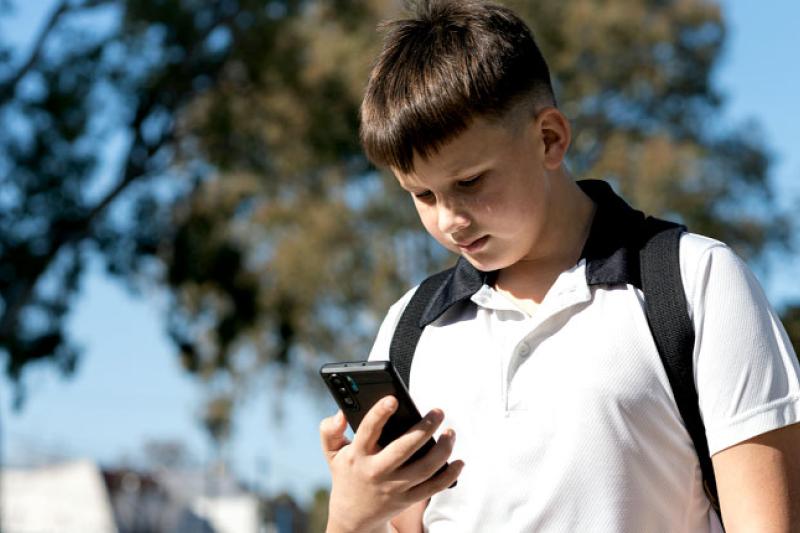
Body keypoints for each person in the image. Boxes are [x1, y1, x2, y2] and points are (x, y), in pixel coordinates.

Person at [319, 1, 800, 531]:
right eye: (422, 195)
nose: (449, 220)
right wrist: (349, 518)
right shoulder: (410, 328)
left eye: (470, 181)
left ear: (549, 138)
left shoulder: (696, 282)